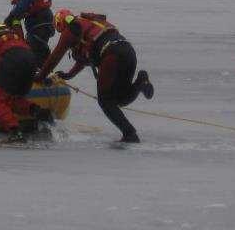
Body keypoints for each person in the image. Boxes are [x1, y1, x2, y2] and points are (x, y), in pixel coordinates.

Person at [36, 9, 153, 143]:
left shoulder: (70, 30)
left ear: (60, 24)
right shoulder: (90, 22)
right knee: (120, 99)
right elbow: (85, 58)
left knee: (105, 101)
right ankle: (140, 82)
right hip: (127, 51)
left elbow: (55, 57)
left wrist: (40, 76)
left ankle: (130, 134)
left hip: (111, 55)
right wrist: (69, 74)